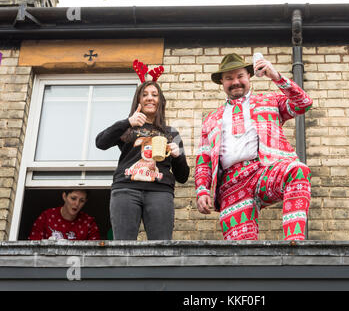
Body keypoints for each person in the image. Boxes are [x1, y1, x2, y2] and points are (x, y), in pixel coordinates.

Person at [195, 53, 313, 241]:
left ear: (248, 76)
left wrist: (276, 77)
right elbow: (204, 161)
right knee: (241, 251)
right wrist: (202, 190)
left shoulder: (270, 101)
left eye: (240, 76)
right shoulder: (211, 119)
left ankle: (295, 243)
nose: (235, 82)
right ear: (222, 83)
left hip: (264, 171)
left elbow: (303, 104)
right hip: (231, 184)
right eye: (229, 78)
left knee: (297, 171)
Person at [96, 73, 190, 240]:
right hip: (125, 189)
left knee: (161, 249)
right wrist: (127, 122)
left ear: (160, 101)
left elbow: (182, 177)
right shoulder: (127, 127)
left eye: (154, 95)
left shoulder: (171, 133)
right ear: (138, 100)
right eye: (145, 94)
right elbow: (101, 142)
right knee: (123, 247)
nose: (150, 98)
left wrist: (178, 156)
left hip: (160, 192)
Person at [29, 189, 100, 240]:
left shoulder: (89, 222)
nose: (77, 204)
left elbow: (95, 253)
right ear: (64, 196)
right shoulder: (47, 216)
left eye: (82, 201)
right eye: (73, 198)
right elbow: (33, 246)